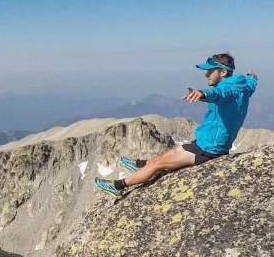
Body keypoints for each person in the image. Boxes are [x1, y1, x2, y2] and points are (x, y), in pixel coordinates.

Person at [94, 53, 258, 199]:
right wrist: (252, 77)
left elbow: (219, 94)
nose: (207, 74)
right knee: (172, 152)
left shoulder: (226, 89)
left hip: (209, 149)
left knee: (157, 165)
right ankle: (140, 164)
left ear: (223, 72)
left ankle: (117, 186)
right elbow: (251, 85)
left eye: (210, 71)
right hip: (205, 142)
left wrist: (203, 94)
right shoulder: (243, 86)